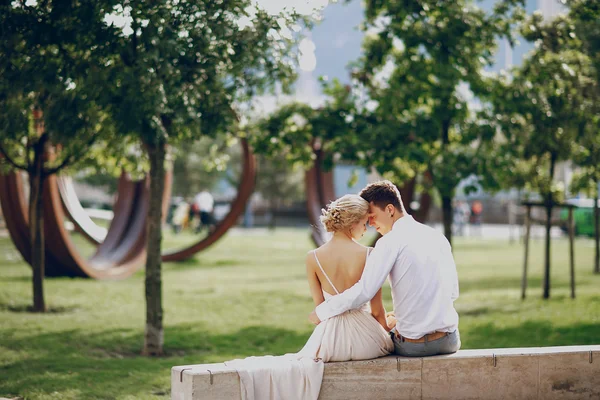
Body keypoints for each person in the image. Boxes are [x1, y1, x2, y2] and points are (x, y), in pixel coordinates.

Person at [224, 194, 393, 400]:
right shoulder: (369, 254)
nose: (366, 229)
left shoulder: (312, 257)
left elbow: (320, 309)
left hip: (329, 344)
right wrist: (386, 330)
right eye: (365, 223)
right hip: (368, 343)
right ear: (353, 223)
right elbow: (376, 310)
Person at [309, 180, 460, 357]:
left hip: (413, 347)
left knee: (378, 334)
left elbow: (364, 292)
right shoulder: (437, 237)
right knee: (393, 320)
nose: (370, 224)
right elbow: (453, 293)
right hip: (449, 341)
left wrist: (322, 312)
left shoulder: (388, 242)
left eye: (371, 216)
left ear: (389, 209)